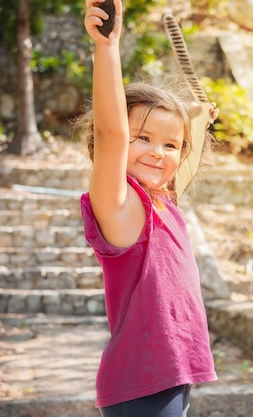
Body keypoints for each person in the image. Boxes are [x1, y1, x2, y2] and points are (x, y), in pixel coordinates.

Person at [78, 0, 218, 416]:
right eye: (143, 138)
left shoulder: (163, 201)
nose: (158, 153)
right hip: (142, 382)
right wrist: (107, 47)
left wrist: (197, 122)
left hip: (171, 376)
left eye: (170, 144)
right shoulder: (120, 205)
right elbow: (110, 133)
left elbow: (182, 155)